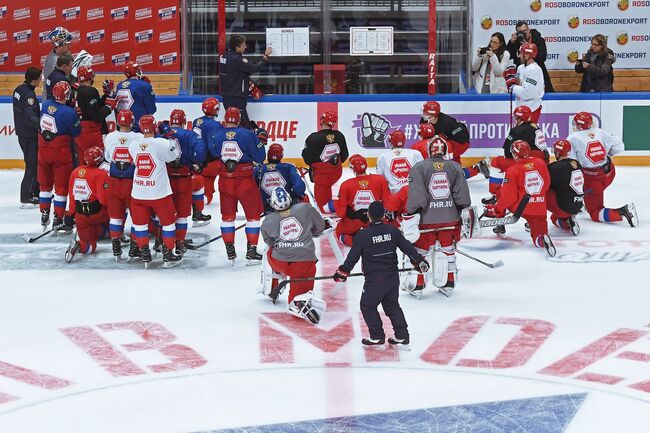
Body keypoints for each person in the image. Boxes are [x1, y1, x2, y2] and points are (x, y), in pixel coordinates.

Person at [333, 201, 429, 348]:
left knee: (367, 306)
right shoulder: (393, 231)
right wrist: (419, 262)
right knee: (392, 306)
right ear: (384, 215)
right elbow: (408, 247)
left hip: (374, 279)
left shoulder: (363, 235)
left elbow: (353, 257)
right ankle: (402, 335)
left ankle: (377, 336)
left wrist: (343, 272)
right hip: (392, 277)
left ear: (369, 216)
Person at [404, 135, 471, 297]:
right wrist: (460, 210)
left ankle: (417, 284)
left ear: (428, 151)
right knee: (447, 248)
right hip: (450, 219)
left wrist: (411, 213)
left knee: (419, 251)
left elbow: (417, 197)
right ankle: (448, 281)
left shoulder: (418, 168)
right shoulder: (455, 167)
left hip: (426, 221)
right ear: (446, 151)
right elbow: (462, 197)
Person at [208, 107, 266, 264]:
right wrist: (261, 142)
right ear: (239, 119)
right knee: (253, 217)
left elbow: (213, 153)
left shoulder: (217, 134)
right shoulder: (248, 134)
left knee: (227, 218)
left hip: (225, 182)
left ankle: (230, 251)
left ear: (225, 119)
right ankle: (251, 251)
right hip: (245, 181)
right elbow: (260, 157)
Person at [261, 187, 327, 324]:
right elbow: (320, 227)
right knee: (306, 270)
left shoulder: (268, 220)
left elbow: (270, 242)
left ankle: (273, 283)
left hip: (281, 262)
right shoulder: (305, 208)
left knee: (268, 251)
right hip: (305, 261)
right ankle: (301, 297)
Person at [127, 115, 182, 268]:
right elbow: (175, 154)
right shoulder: (160, 143)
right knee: (169, 224)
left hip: (138, 192)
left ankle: (145, 254)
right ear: (155, 126)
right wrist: (171, 137)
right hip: (159, 193)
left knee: (140, 225)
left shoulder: (133, 144)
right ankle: (168, 254)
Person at [484, 140, 555, 256]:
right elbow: (546, 185)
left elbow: (508, 198)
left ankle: (500, 225)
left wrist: (497, 209)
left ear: (514, 154)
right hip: (540, 207)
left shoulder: (512, 171)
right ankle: (541, 240)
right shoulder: (540, 163)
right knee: (538, 234)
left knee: (500, 193)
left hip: (521, 208)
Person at [566, 112, 637, 226]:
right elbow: (619, 147)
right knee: (585, 187)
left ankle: (622, 211)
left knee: (595, 212)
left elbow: (571, 163)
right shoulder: (600, 132)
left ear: (579, 125)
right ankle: (582, 201)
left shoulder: (573, 138)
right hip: (610, 173)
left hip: (593, 181)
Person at [38, 81, 80, 231]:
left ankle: (44, 214)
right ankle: (58, 218)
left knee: (45, 185)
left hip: (43, 152)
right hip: (60, 154)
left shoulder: (45, 105)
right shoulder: (69, 113)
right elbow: (76, 132)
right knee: (61, 187)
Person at [485, 105, 548, 206]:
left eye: (515, 117)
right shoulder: (535, 126)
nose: (514, 119)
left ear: (519, 118)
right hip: (541, 164)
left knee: (496, 162)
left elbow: (507, 153)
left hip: (527, 164)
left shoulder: (517, 130)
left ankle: (496, 195)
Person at [166, 109, 207, 254]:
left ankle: (162, 243)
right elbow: (201, 150)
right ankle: (180, 243)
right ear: (184, 121)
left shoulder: (161, 134)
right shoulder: (189, 134)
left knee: (164, 215)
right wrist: (197, 163)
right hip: (184, 179)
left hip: (166, 181)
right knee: (182, 215)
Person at [103, 109, 142, 260]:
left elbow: (107, 157)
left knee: (115, 216)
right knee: (136, 215)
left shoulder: (110, 137)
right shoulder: (137, 137)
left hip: (113, 180)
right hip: (131, 181)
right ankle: (134, 247)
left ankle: (115, 246)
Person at [334, 154, 393, 247]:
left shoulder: (346, 185)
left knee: (339, 233)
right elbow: (389, 204)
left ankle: (356, 241)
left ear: (352, 169)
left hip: (355, 223)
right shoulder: (380, 180)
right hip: (377, 222)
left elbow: (341, 213)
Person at [420, 101, 488, 179]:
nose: (423, 115)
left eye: (426, 113)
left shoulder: (446, 123)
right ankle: (478, 168)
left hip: (460, 143)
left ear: (433, 114)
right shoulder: (424, 120)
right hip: (449, 143)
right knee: (456, 175)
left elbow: (460, 136)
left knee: (439, 150)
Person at [64, 147, 110, 262]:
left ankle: (79, 246)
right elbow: (103, 200)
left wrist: (70, 213)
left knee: (90, 246)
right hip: (99, 215)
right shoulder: (100, 174)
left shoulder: (74, 172)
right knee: (116, 216)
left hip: (81, 217)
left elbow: (72, 196)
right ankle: (117, 235)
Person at [219, 34, 272, 127]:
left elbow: (237, 74)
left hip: (227, 96)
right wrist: (266, 56)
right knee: (244, 126)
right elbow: (254, 68)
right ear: (236, 47)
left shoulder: (224, 56)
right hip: (236, 98)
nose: (245, 47)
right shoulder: (236, 60)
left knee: (233, 125)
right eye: (243, 45)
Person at [302, 110, 349, 213]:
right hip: (337, 173)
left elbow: (307, 160)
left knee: (323, 208)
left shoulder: (313, 138)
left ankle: (344, 206)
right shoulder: (340, 136)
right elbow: (345, 156)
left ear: (322, 120)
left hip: (322, 178)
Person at [12, 66, 42, 207]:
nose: (41, 80)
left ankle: (35, 192)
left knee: (32, 163)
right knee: (32, 164)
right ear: (34, 80)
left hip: (22, 133)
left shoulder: (18, 89)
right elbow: (30, 115)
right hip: (29, 135)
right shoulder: (29, 96)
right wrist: (41, 127)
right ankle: (26, 195)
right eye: (40, 78)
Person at [192, 97, 224, 219]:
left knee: (201, 185)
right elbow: (213, 146)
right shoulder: (215, 125)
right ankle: (195, 204)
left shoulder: (196, 121)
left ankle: (193, 199)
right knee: (208, 194)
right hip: (210, 163)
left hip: (196, 160)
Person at [74, 66, 117, 158]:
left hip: (81, 131)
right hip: (91, 133)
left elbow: (94, 107)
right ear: (89, 77)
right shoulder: (89, 91)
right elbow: (97, 116)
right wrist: (109, 106)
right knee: (96, 159)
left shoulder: (79, 90)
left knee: (83, 161)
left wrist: (106, 96)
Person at [254, 143, 306, 214]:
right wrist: (299, 195)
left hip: (266, 207)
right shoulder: (288, 167)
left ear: (268, 154)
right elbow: (298, 187)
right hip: (286, 204)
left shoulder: (258, 169)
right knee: (304, 198)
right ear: (281, 155)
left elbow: (251, 189)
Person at [547, 140, 584, 236]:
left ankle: (534, 220)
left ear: (557, 152)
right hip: (578, 205)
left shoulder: (555, 167)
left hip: (563, 208)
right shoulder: (576, 163)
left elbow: (545, 184)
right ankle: (569, 219)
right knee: (555, 218)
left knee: (540, 192)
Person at [506, 20, 554, 92]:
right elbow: (509, 56)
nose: (524, 33)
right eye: (520, 32)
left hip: (538, 72)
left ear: (529, 30)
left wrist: (529, 48)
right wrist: (511, 43)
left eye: (525, 30)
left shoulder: (539, 40)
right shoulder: (516, 42)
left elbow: (542, 57)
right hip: (521, 73)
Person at [505, 43, 545, 123]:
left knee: (526, 133)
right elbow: (517, 87)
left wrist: (512, 86)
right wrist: (511, 81)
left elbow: (528, 93)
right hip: (521, 107)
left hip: (531, 109)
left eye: (521, 53)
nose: (519, 56)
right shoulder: (520, 68)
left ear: (527, 55)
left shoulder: (534, 70)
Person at [115, 61, 156, 131]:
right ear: (137, 71)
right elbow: (151, 109)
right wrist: (148, 87)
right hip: (139, 128)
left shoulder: (119, 85)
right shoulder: (144, 85)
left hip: (123, 126)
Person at [43, 27, 72, 100]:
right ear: (59, 44)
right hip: (55, 101)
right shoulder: (54, 61)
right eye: (67, 43)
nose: (69, 46)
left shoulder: (58, 55)